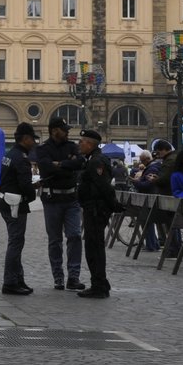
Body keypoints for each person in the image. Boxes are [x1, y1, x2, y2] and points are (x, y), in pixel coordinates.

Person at [34, 117, 85, 290]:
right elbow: (46, 168)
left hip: (72, 199)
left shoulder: (72, 146)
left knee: (75, 236)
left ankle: (74, 276)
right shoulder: (43, 149)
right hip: (52, 200)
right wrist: (67, 165)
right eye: (64, 129)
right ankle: (58, 277)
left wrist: (59, 165)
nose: (67, 132)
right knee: (55, 240)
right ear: (55, 131)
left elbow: (79, 163)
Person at [0, 122, 38, 294]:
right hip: (15, 205)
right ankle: (10, 282)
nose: (34, 143)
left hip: (6, 202)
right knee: (15, 243)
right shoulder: (21, 158)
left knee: (16, 242)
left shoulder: (10, 154)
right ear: (26, 138)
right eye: (32, 139)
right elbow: (24, 184)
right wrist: (32, 195)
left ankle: (18, 279)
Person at [75, 129, 118, 298]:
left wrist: (113, 205)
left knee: (94, 248)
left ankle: (98, 285)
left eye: (82, 141)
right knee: (93, 247)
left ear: (90, 144)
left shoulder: (96, 161)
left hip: (95, 209)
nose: (79, 144)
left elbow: (103, 186)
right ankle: (100, 282)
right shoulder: (92, 159)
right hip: (92, 207)